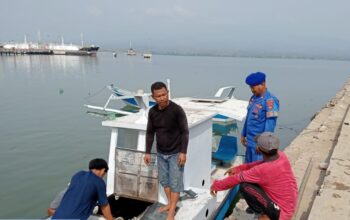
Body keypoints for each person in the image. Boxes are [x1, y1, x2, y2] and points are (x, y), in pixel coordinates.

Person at [211, 132, 297, 220]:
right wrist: (238, 168)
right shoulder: (281, 156)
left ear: (258, 149)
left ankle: (265, 215)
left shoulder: (263, 170)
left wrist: (217, 185)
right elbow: (257, 164)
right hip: (289, 204)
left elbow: (238, 178)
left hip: (281, 214)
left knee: (245, 186)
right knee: (252, 181)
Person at [143, 81, 189, 220]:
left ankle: (172, 210)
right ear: (153, 97)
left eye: (164, 94)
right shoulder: (152, 112)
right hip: (161, 153)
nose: (162, 98)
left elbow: (185, 132)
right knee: (164, 180)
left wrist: (183, 152)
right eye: (159, 96)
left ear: (168, 92)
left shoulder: (177, 110)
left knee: (175, 183)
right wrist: (147, 152)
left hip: (176, 153)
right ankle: (170, 203)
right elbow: (150, 133)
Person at [241, 72, 279, 163]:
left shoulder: (270, 100)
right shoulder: (253, 98)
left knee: (258, 169)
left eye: (253, 87)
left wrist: (263, 144)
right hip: (249, 142)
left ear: (263, 84)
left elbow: (270, 124)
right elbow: (249, 118)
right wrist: (243, 133)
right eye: (250, 87)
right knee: (248, 167)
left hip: (259, 145)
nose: (251, 90)